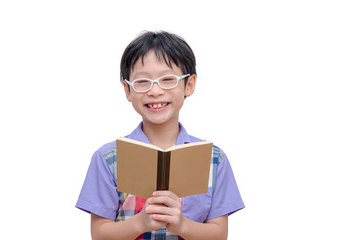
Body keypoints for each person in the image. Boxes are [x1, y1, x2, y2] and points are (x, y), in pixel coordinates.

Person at [76, 31, 245, 240]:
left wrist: (182, 224)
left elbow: (219, 234)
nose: (155, 91)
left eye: (167, 79)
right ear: (127, 90)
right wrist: (141, 222)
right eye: (142, 81)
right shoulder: (108, 158)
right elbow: (100, 234)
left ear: (189, 85)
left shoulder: (213, 159)